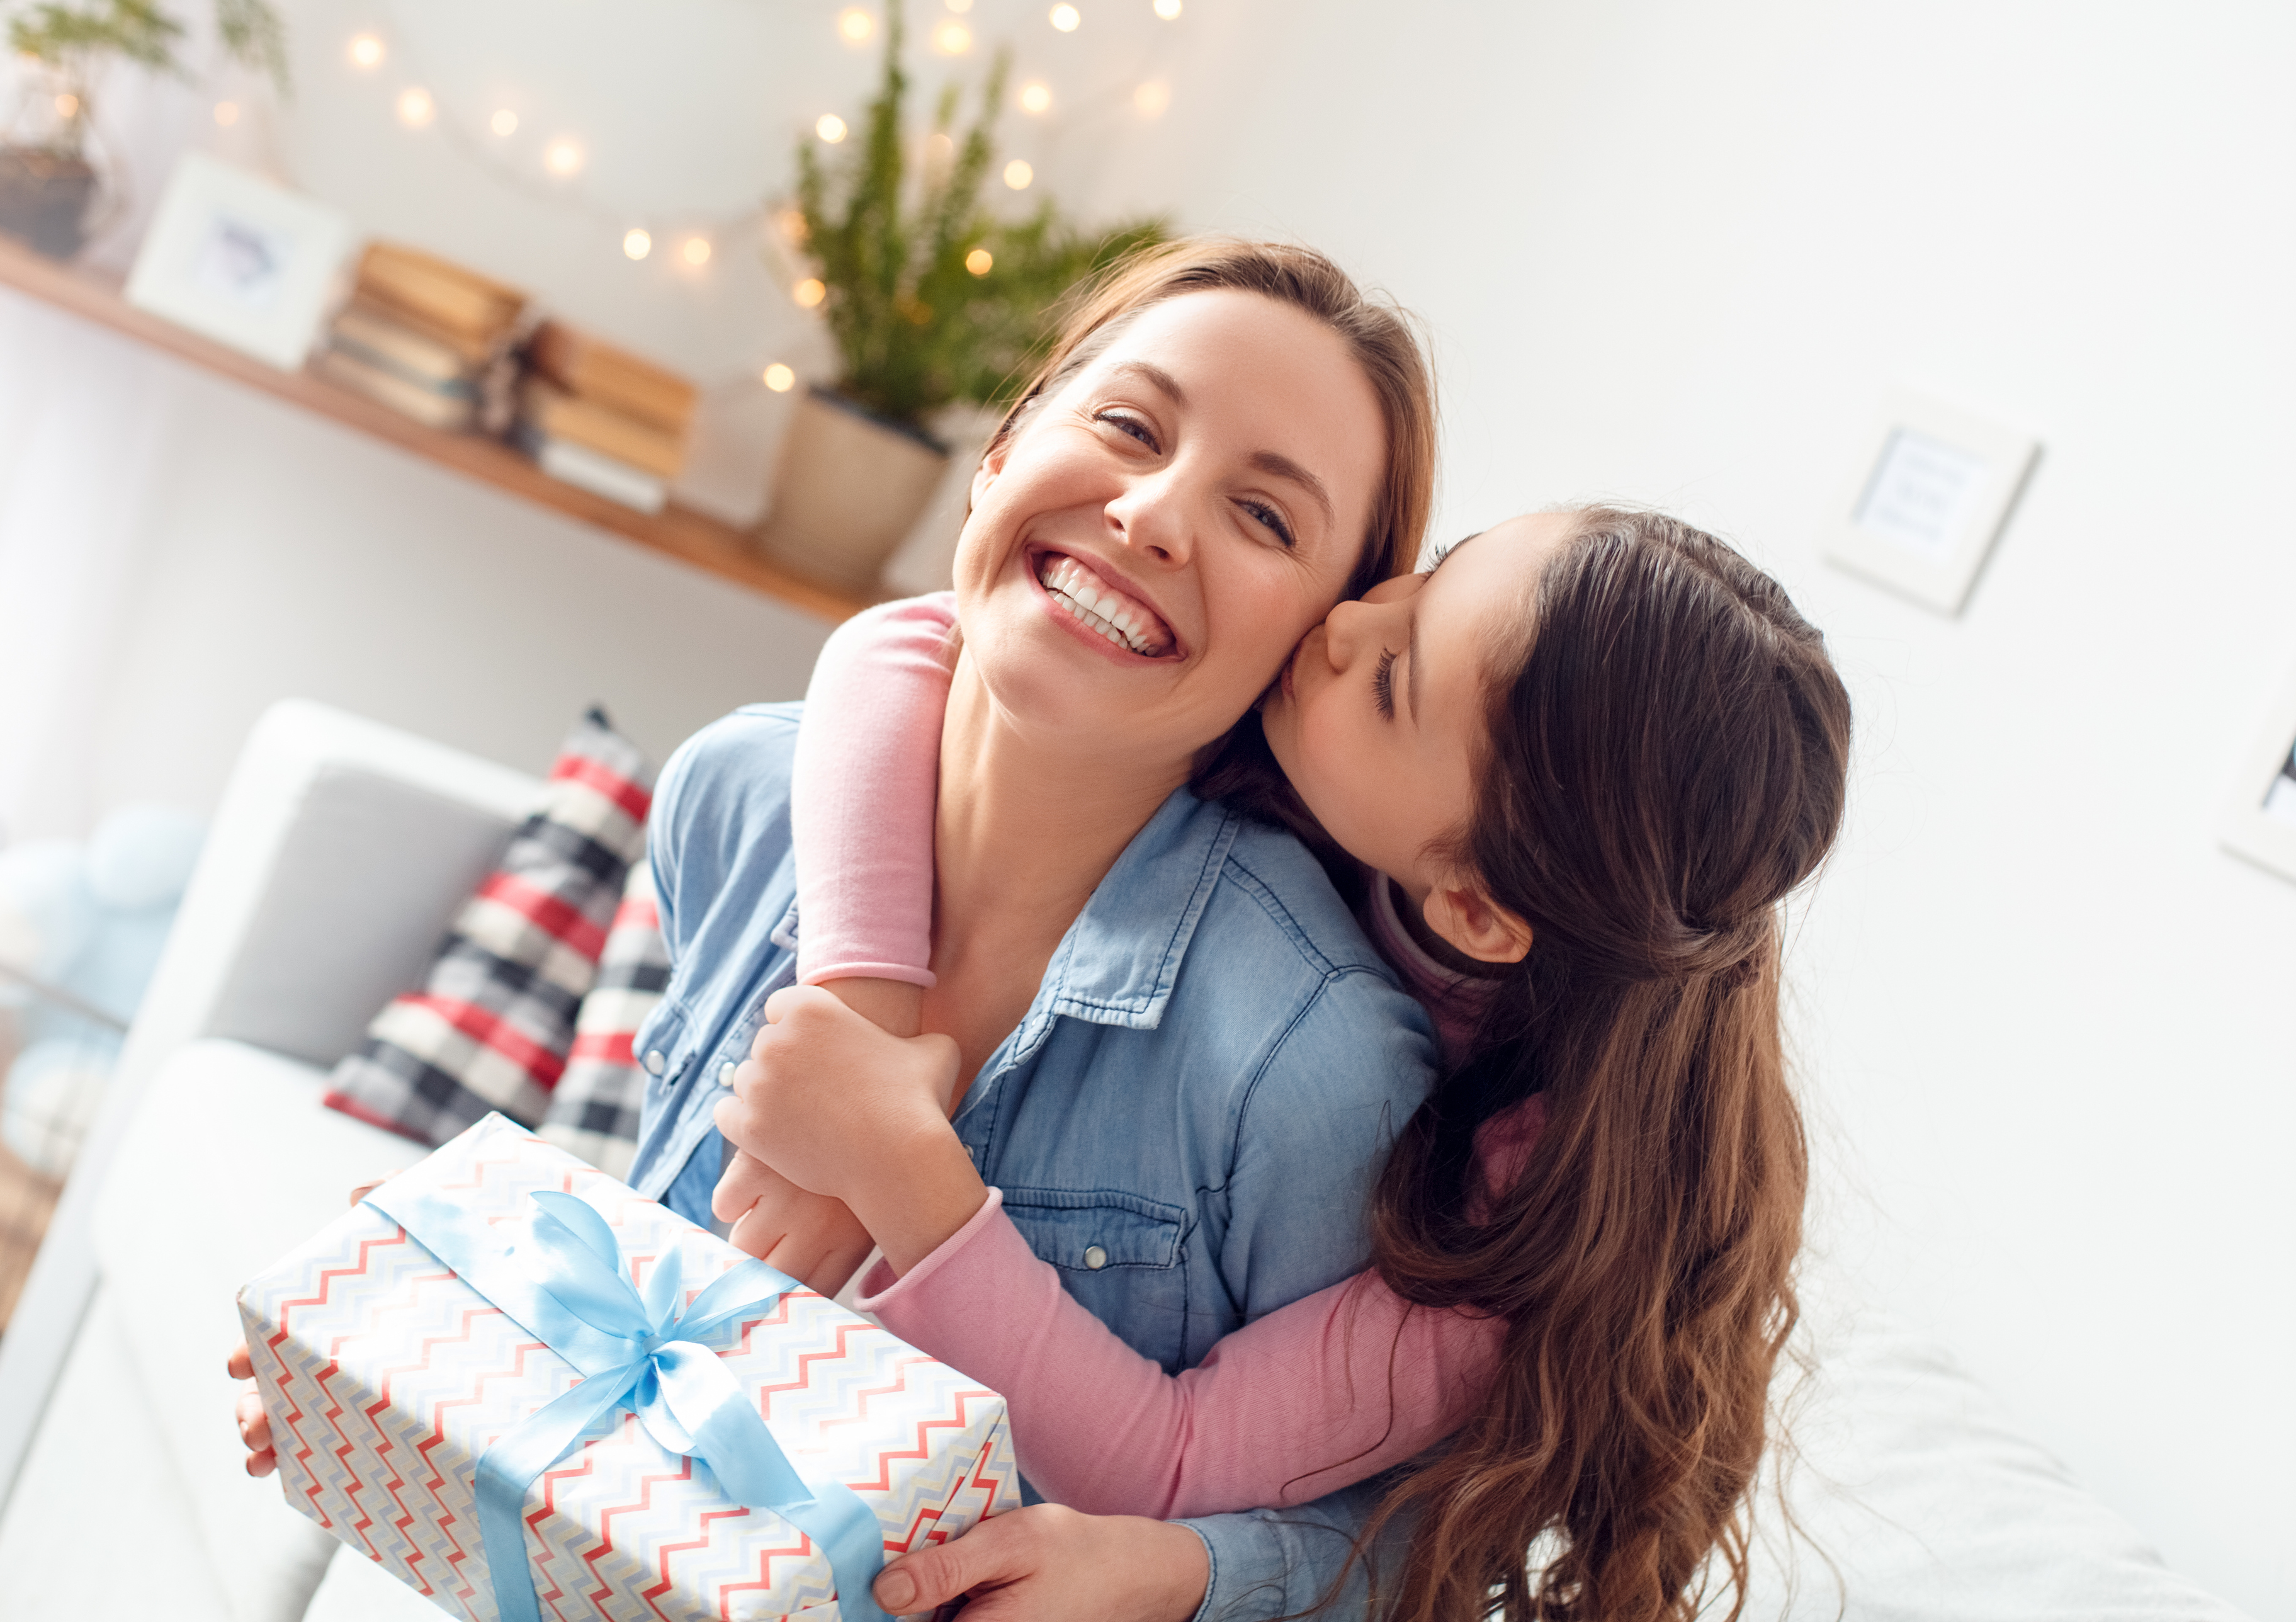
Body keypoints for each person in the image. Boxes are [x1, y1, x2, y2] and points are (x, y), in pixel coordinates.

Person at [235, 236, 1453, 1622]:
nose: (1153, 514)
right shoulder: (739, 797)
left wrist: (1185, 1580)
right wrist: (441, 1321)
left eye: (1266, 517)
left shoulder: (1315, 1065)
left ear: (1312, 647)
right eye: (1128, 425)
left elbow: (1405, 1557)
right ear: (1004, 447)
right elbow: (670, 1288)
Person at [714, 504, 1853, 1622]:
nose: (1350, 622)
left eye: (1394, 683)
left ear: (1474, 907)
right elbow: (913, 638)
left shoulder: (1525, 1207)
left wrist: (899, 1168)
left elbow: (1174, 1459)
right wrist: (864, 1010)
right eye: (1432, 572)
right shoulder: (1320, 748)